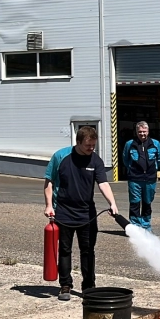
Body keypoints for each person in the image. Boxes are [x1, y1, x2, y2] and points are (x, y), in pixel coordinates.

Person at [44, 126, 120, 301]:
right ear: (78, 142)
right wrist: (49, 205)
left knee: (88, 251)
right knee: (64, 250)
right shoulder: (61, 157)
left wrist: (112, 203)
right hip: (63, 212)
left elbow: (103, 184)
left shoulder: (96, 161)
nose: (91, 149)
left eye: (94, 145)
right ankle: (65, 286)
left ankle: (89, 287)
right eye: (88, 145)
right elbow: (49, 181)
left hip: (87, 214)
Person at [121, 121, 160, 230]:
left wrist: (154, 170)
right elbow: (125, 159)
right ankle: (135, 226)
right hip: (135, 179)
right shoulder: (129, 144)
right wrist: (132, 169)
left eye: (144, 131)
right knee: (134, 202)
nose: (142, 134)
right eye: (140, 132)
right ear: (136, 132)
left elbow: (159, 159)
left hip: (150, 179)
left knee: (147, 202)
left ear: (148, 131)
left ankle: (145, 225)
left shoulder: (155, 144)